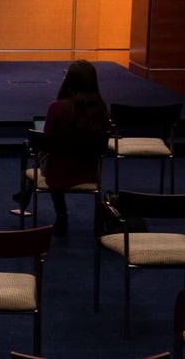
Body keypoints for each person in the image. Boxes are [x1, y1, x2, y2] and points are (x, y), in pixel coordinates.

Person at [14, 59, 110, 236]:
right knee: (49, 152)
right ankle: (26, 193)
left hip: (57, 172)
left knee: (35, 149)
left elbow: (46, 140)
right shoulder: (101, 109)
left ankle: (58, 211)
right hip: (89, 169)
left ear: (70, 81)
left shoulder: (57, 107)